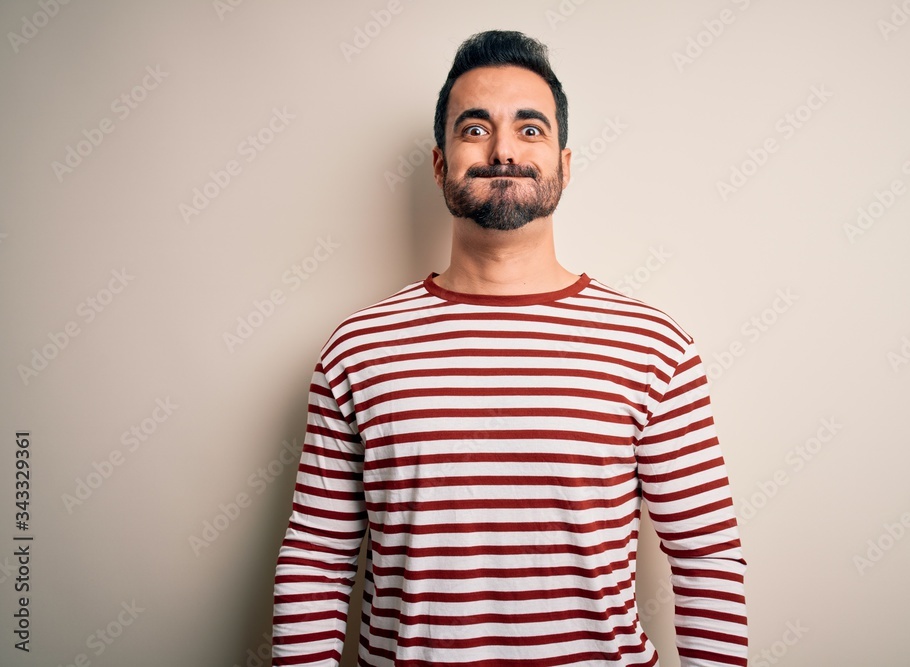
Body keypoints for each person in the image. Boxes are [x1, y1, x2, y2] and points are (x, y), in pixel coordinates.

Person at [271, 30, 748, 667]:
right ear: (439, 164)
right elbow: (314, 565)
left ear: (564, 164)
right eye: (474, 129)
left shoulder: (654, 347)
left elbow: (707, 556)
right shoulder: (357, 349)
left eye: (530, 130)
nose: (502, 151)